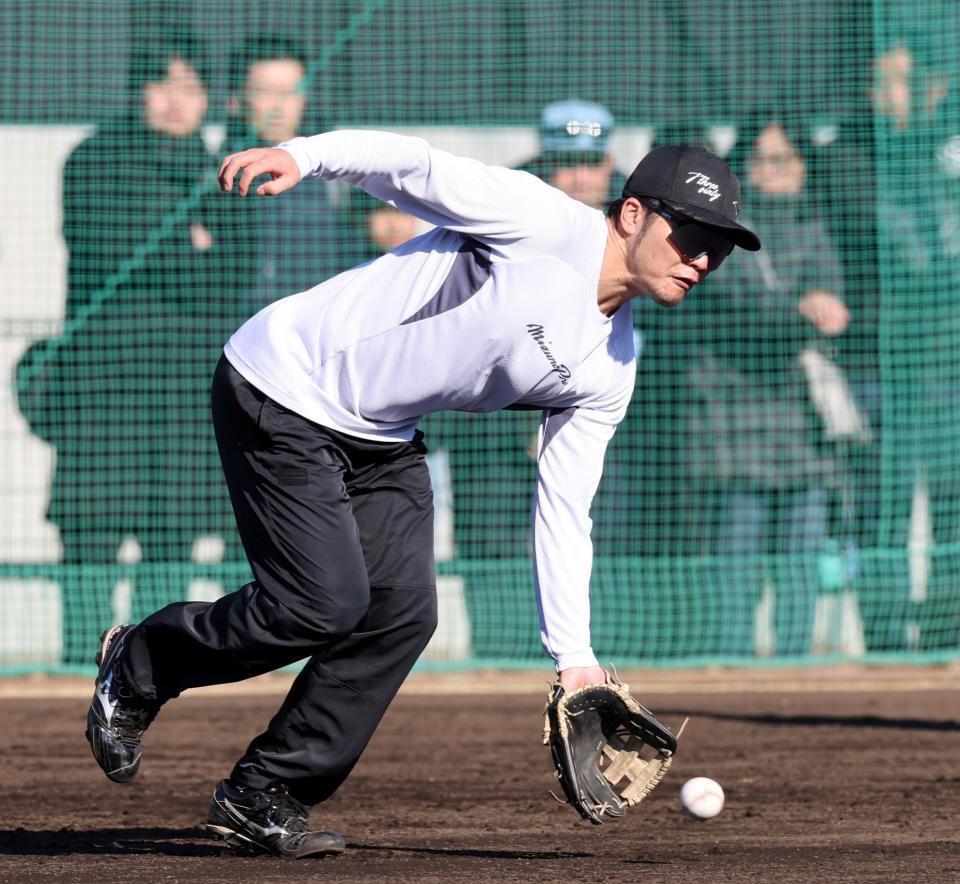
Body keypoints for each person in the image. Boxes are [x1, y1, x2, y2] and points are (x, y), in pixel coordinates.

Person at [84, 130, 760, 858]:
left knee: (403, 614)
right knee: (321, 603)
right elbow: (415, 168)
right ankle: (140, 664)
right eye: (689, 232)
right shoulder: (544, 223)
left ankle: (263, 793)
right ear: (631, 214)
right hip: (282, 384)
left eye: (719, 247)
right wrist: (305, 156)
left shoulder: (613, 365)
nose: (703, 258)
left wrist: (576, 658)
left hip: (381, 433)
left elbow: (564, 508)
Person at [18, 33, 235, 666]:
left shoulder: (217, 167)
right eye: (164, 85)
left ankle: (155, 668)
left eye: (192, 88)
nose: (177, 102)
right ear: (138, 91)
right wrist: (189, 243)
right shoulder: (95, 157)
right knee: (91, 534)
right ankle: (77, 664)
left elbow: (232, 269)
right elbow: (106, 241)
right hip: (103, 383)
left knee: (172, 537)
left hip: (182, 386)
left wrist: (198, 250)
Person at [684, 112, 850, 657]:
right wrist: (803, 309)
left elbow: (836, 303)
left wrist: (827, 311)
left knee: (801, 548)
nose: (773, 173)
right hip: (732, 409)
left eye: (784, 160)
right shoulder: (721, 231)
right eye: (761, 161)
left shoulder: (821, 226)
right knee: (737, 546)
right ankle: (729, 659)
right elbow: (732, 307)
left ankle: (796, 659)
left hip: (800, 412)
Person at [222, 35, 344, 313]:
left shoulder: (339, 173)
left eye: (289, 92)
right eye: (264, 91)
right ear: (235, 99)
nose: (278, 106)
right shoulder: (213, 178)